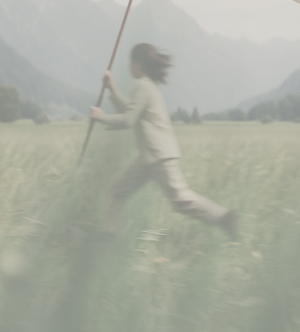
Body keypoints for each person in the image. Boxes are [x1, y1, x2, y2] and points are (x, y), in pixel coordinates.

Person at [90, 43, 238, 239]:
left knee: (180, 199)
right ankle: (109, 236)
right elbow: (131, 110)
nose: (128, 67)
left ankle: (224, 216)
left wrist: (102, 117)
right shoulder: (147, 86)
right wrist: (112, 89)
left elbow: (128, 119)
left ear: (138, 64)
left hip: (158, 155)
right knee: (117, 189)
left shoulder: (143, 86)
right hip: (149, 157)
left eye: (130, 62)